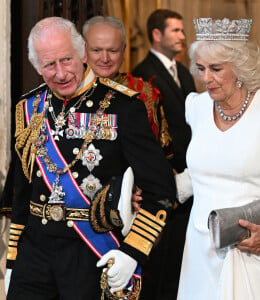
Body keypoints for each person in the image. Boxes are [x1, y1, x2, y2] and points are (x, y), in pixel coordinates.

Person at [5, 16, 176, 300]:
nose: (61, 73)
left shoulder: (124, 107)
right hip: (34, 257)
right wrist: (13, 260)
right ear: (37, 67)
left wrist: (133, 251)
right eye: (49, 65)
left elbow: (161, 190)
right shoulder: (28, 108)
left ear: (82, 52)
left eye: (67, 60)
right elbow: (21, 193)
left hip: (92, 254)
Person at [176, 17, 260, 299]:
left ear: (241, 67)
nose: (206, 77)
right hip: (200, 250)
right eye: (201, 68)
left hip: (252, 250)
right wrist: (155, 191)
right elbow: (198, 175)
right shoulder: (196, 106)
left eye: (216, 69)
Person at [132, 9, 196, 300]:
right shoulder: (143, 73)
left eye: (183, 31)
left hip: (190, 180)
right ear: (157, 35)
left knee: (180, 263)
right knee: (159, 264)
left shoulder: (183, 72)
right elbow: (147, 133)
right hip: (162, 182)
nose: (182, 36)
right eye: (175, 31)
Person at [82, 15, 173, 156]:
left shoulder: (145, 92)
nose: (105, 59)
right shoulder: (69, 90)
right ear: (84, 50)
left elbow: (160, 154)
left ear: (124, 51)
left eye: (112, 51)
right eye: (97, 50)